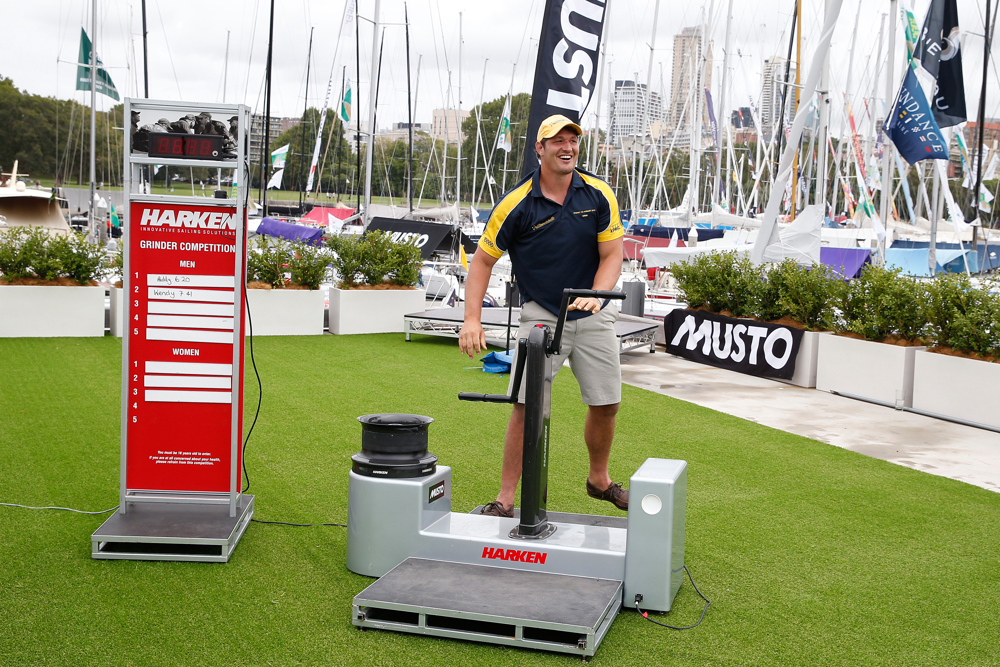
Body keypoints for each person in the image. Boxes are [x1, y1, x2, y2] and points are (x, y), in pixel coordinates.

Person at [459, 114, 626, 518]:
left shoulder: (599, 193)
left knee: (607, 404)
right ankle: (505, 499)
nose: (567, 147)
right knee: (526, 405)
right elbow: (481, 263)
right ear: (540, 148)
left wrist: (598, 296)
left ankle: (598, 481)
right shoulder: (515, 203)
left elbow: (612, 255)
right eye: (557, 141)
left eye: (573, 140)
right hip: (540, 314)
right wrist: (472, 320)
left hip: (592, 313)